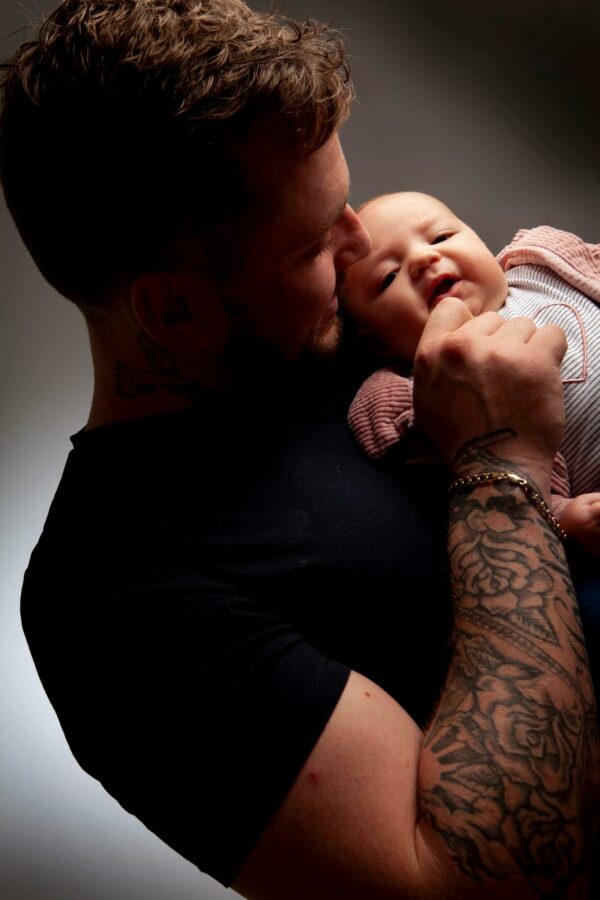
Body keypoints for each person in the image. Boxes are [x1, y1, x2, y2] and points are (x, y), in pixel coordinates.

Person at [1, 2, 598, 898]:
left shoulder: (360, 329)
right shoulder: (113, 599)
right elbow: (465, 884)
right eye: (319, 242)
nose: (363, 249)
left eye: (345, 204)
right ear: (176, 312)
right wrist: (501, 460)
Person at [344, 191, 600, 554]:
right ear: (379, 345)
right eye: (388, 277)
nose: (422, 258)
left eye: (441, 237)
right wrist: (565, 514)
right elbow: (477, 480)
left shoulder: (542, 268)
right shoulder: (427, 390)